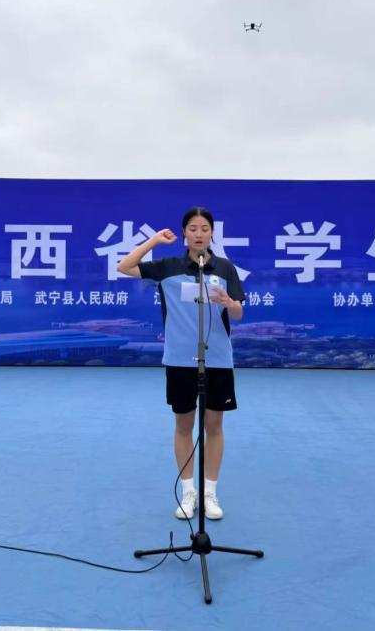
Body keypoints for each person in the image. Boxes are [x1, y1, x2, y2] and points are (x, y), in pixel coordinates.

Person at [117, 207, 245, 520]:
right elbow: (124, 266)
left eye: (204, 228)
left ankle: (210, 493)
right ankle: (189, 493)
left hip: (217, 359)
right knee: (183, 425)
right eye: (193, 228)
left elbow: (238, 313)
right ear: (184, 233)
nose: (199, 234)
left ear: (212, 233)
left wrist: (229, 303)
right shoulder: (168, 267)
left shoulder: (225, 268)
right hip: (179, 359)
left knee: (214, 426)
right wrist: (154, 241)